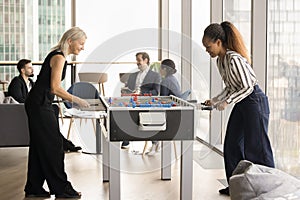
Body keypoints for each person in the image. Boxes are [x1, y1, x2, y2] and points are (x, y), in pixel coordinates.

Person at [202, 21, 275, 196]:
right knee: (232, 145)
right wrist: (215, 100)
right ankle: (236, 185)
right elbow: (231, 86)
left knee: (257, 148)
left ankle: (269, 189)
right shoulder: (221, 60)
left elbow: (247, 87)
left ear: (219, 42)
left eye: (208, 46)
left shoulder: (234, 59)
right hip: (242, 102)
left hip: (254, 102)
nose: (207, 50)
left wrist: (227, 102)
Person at [24, 27, 89, 198]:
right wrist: (78, 100)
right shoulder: (59, 57)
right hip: (39, 104)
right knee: (54, 146)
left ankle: (34, 188)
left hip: (38, 102)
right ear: (70, 41)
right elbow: (55, 88)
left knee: (40, 146)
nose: (82, 47)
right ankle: (62, 189)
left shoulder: (58, 55)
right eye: (81, 43)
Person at [8, 59, 81, 153]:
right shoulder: (17, 82)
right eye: (29, 68)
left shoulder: (31, 82)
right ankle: (63, 144)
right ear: (22, 70)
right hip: (24, 109)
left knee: (54, 109)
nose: (32, 69)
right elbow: (18, 98)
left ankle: (62, 143)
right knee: (51, 114)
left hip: (34, 108)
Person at [121, 52, 161, 149]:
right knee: (124, 113)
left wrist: (141, 95)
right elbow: (128, 89)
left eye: (139, 60)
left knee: (144, 114)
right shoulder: (133, 75)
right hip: (132, 100)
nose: (137, 63)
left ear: (145, 60)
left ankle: (154, 140)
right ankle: (126, 139)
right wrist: (125, 90)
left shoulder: (155, 75)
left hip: (146, 101)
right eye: (137, 60)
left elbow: (156, 92)